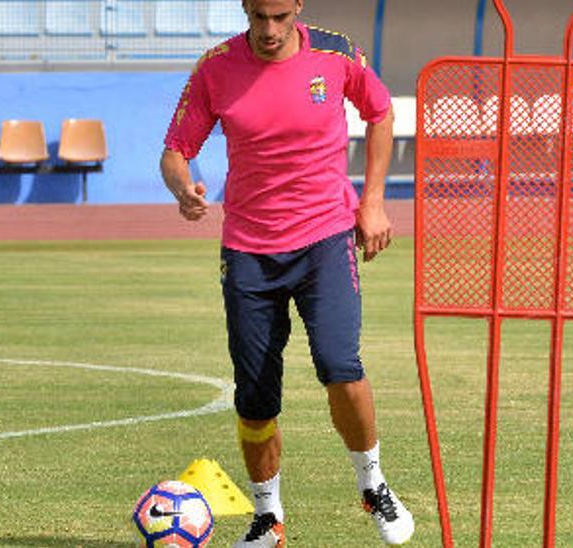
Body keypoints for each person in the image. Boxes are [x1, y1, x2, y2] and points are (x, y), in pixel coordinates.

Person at [158, 0, 412, 545]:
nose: (269, 30)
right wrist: (185, 190)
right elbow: (176, 150)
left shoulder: (337, 52)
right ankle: (268, 519)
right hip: (249, 250)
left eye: (279, 16)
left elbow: (380, 112)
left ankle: (373, 484)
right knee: (253, 395)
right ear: (245, 11)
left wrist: (372, 201)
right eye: (257, 18)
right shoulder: (215, 67)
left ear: (297, 6)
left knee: (340, 365)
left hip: (326, 237)